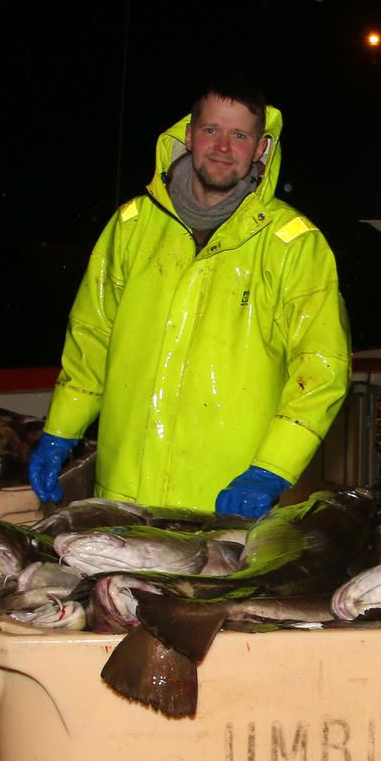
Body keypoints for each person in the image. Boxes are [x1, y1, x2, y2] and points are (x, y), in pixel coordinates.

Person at [27, 78, 351, 518]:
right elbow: (92, 336)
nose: (223, 147)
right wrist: (60, 430)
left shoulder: (294, 244)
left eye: (240, 135)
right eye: (211, 130)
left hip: (224, 506)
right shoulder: (130, 226)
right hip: (121, 498)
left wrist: (272, 468)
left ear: (260, 149)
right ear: (188, 135)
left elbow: (321, 366)